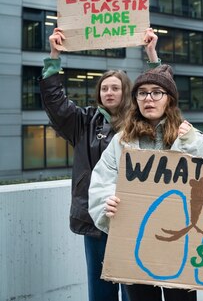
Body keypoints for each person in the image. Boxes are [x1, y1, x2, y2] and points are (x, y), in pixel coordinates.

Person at [40, 27, 160, 301]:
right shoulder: (83, 122)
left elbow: (161, 91)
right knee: (100, 285)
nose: (109, 92)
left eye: (115, 87)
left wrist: (152, 54)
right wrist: (54, 56)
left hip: (136, 216)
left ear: (126, 91)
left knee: (135, 287)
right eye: (104, 88)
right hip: (95, 216)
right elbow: (56, 104)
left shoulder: (144, 120)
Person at [88, 64, 203, 301]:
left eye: (157, 92)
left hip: (180, 245)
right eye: (142, 93)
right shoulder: (122, 141)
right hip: (135, 243)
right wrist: (107, 202)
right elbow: (102, 180)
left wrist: (191, 143)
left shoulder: (190, 136)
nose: (149, 99)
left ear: (169, 100)